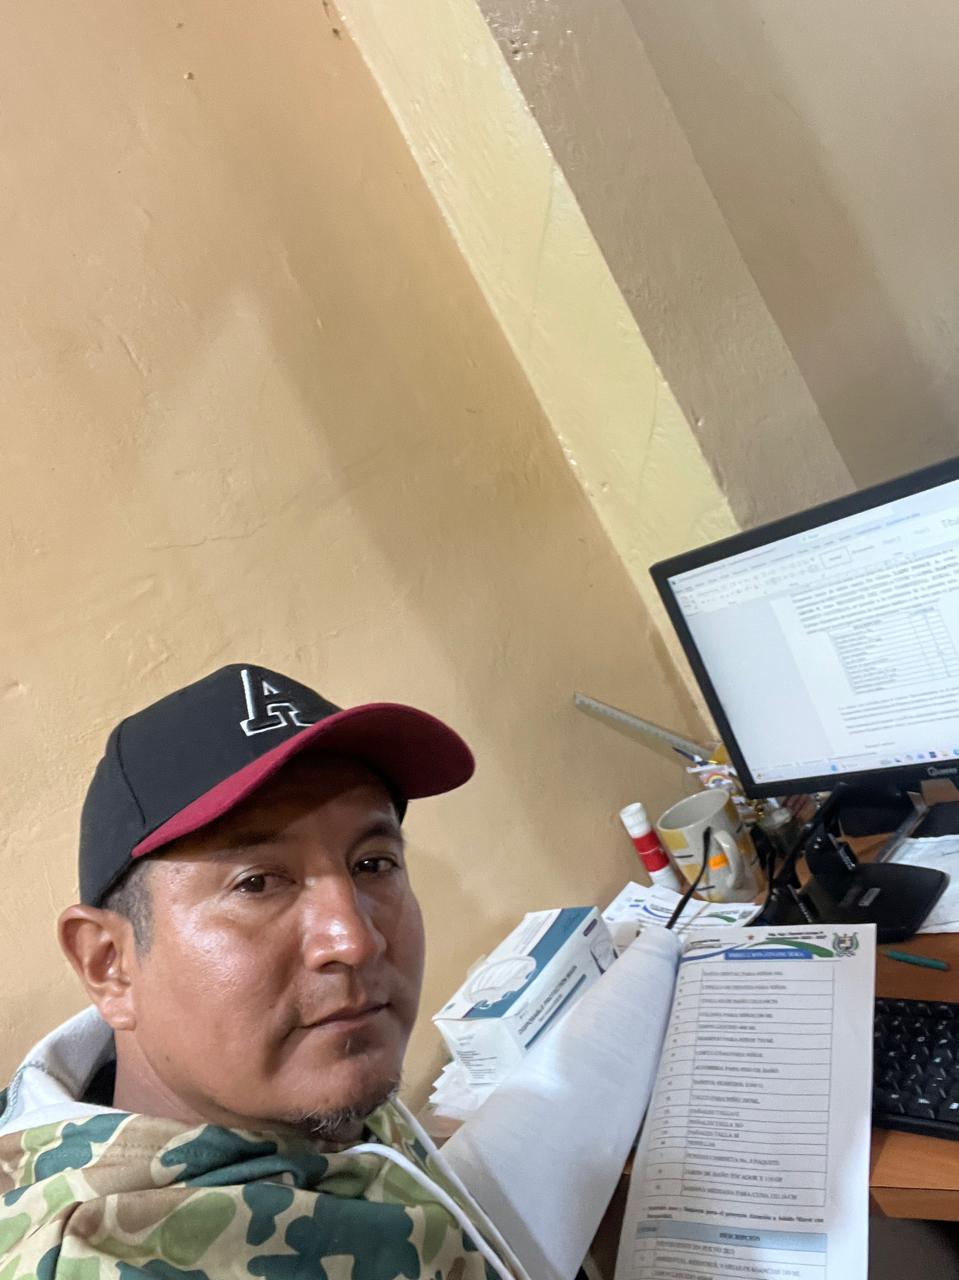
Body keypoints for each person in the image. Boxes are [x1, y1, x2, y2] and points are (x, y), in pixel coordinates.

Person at [0, 664, 676, 1280]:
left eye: (372, 864)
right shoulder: (109, 1256)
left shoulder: (283, 1086)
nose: (355, 939)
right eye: (257, 882)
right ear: (110, 965)